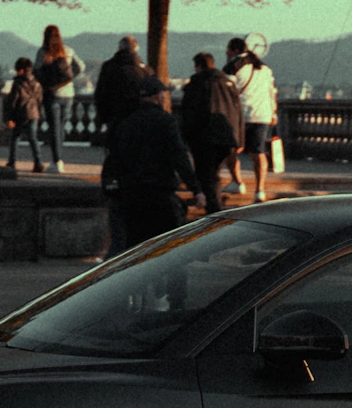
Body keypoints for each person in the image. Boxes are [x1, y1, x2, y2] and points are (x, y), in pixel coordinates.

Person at [101, 76, 204, 253]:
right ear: (157, 96)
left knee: (132, 249)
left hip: (130, 193)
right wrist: (196, 189)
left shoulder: (125, 121)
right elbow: (179, 157)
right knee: (167, 248)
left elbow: (114, 157)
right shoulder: (165, 121)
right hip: (159, 193)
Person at [178, 51, 243, 212]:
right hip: (226, 137)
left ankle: (214, 209)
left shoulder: (196, 84)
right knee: (214, 174)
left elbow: (188, 113)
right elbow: (238, 112)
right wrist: (240, 138)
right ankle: (215, 205)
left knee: (205, 174)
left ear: (198, 66)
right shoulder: (228, 83)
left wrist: (185, 137)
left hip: (203, 137)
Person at [225, 37, 278, 202]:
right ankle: (259, 190)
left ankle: (237, 181)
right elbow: (271, 91)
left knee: (231, 149)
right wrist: (273, 112)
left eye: (228, 50)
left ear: (234, 50)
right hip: (263, 113)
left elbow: (228, 91)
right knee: (258, 152)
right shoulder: (265, 68)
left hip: (241, 114)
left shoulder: (234, 66)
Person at [35, 26, 85, 172]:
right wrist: (68, 79)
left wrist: (48, 84)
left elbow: (36, 70)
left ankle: (57, 161)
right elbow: (81, 66)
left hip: (52, 95)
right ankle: (59, 158)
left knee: (54, 128)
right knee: (61, 127)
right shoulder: (68, 51)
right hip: (68, 94)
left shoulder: (43, 52)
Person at [92, 34, 149, 155]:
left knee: (115, 151)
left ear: (119, 48)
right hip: (137, 114)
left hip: (114, 115)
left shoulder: (109, 67)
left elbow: (101, 94)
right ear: (136, 49)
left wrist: (101, 117)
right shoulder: (144, 70)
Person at [2, 57, 43, 172]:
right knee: (33, 138)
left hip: (21, 114)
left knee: (15, 138)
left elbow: (12, 101)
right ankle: (38, 162)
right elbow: (39, 100)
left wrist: (9, 117)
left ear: (21, 70)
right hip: (34, 114)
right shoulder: (37, 83)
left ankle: (12, 162)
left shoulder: (18, 84)